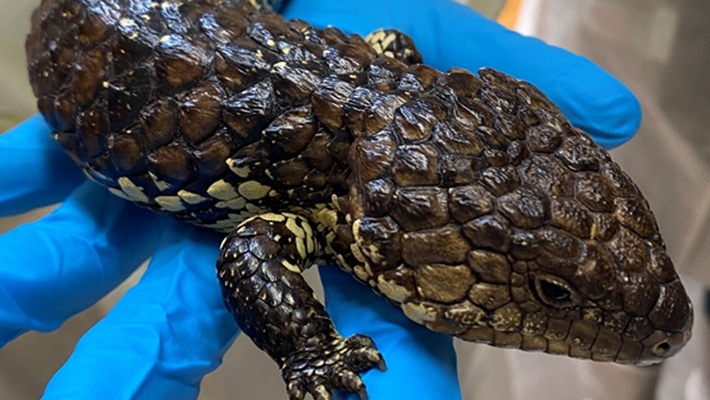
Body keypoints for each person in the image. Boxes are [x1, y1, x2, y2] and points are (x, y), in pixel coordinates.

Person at [0, 0, 641, 398]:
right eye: (552, 294)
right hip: (86, 36)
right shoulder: (328, 196)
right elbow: (249, 253)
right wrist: (309, 349)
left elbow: (390, 47)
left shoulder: (378, 108)